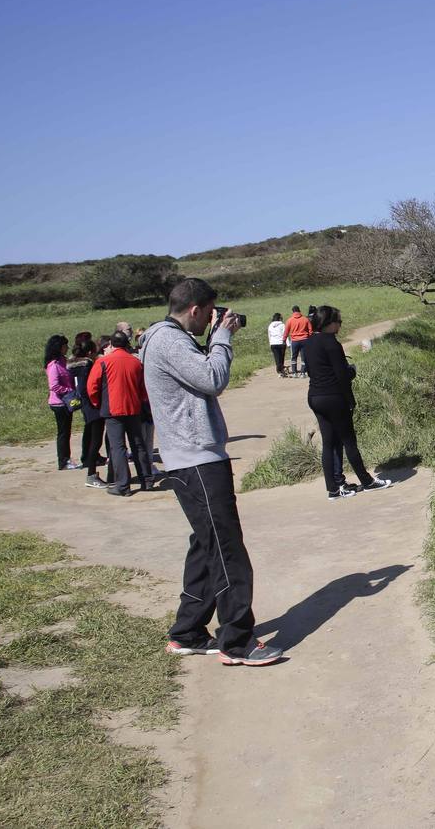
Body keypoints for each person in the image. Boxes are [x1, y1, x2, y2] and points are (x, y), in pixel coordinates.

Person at [140, 278, 283, 666]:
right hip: (196, 458)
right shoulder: (169, 341)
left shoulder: (167, 339)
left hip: (192, 456)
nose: (211, 320)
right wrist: (222, 338)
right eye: (209, 314)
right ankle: (237, 642)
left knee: (207, 545)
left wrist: (213, 338)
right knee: (227, 548)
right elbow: (212, 379)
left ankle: (187, 632)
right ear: (196, 310)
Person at [304, 304, 391, 500]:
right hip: (333, 397)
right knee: (349, 441)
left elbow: (311, 371)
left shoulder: (308, 343)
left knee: (328, 443)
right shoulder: (331, 343)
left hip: (315, 396)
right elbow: (342, 376)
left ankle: (334, 489)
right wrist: (352, 372)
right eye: (339, 322)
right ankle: (367, 481)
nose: (340, 325)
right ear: (329, 323)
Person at [88, 331, 153, 497]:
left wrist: (97, 403)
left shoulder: (103, 362)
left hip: (113, 410)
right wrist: (141, 399)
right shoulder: (136, 362)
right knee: (138, 444)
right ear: (126, 344)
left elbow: (92, 387)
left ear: (112, 344)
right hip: (133, 408)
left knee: (118, 447)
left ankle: (123, 485)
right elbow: (143, 387)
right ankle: (147, 480)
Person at [67, 337, 109, 488]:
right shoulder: (88, 366)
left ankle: (90, 470)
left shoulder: (72, 365)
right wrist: (97, 402)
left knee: (92, 439)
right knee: (96, 442)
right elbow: (90, 387)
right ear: (90, 352)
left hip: (85, 405)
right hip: (93, 406)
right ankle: (91, 475)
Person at [43, 334, 80, 470]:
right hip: (59, 403)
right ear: (59, 347)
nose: (67, 348)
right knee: (63, 432)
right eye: (65, 346)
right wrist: (69, 390)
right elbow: (54, 385)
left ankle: (67, 458)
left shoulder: (63, 361)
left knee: (67, 431)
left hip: (66, 402)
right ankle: (63, 461)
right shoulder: (54, 365)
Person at [283, 305, 312, 376]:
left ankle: (294, 372)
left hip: (294, 341)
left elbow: (286, 331)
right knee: (304, 357)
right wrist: (311, 338)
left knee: (293, 357)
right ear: (299, 310)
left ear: (292, 311)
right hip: (304, 340)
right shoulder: (305, 319)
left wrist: (284, 339)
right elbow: (310, 330)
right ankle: (303, 372)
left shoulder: (289, 320)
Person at [267, 312, 287, 376]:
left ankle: (279, 370)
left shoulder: (270, 326)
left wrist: (270, 343)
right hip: (281, 343)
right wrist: (288, 343)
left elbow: (269, 335)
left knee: (277, 357)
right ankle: (281, 370)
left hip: (273, 343)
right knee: (281, 357)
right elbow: (285, 334)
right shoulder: (282, 325)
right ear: (279, 318)